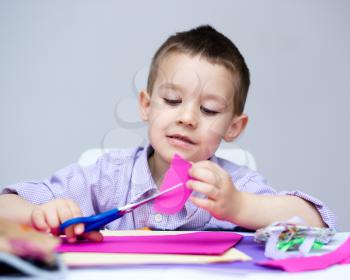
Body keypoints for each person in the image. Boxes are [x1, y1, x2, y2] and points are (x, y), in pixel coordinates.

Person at [0, 25, 335, 243]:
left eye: (209, 110)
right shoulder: (106, 178)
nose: (187, 117)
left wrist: (240, 206)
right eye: (173, 100)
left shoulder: (235, 187)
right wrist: (39, 214)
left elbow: (318, 222)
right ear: (146, 106)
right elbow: (5, 205)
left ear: (234, 127)